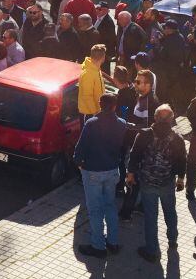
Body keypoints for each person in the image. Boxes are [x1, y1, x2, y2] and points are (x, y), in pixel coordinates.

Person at [126, 104, 186, 263]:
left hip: (147, 182)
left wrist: (130, 174)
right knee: (170, 212)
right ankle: (172, 240)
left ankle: (152, 250)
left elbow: (134, 155)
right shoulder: (178, 138)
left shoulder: (145, 135)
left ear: (155, 118)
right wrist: (180, 179)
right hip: (167, 182)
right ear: (172, 119)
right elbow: (182, 161)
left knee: (151, 217)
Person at [73, 94, 128, 258]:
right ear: (115, 106)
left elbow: (80, 147)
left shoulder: (91, 123)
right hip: (112, 171)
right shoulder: (122, 124)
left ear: (100, 105)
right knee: (110, 206)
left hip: (93, 172)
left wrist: (78, 162)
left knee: (95, 210)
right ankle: (113, 242)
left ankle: (98, 246)